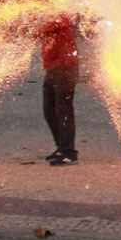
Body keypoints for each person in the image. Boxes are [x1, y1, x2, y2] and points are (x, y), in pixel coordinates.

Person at [38, 12, 80, 166]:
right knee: (49, 110)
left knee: (63, 110)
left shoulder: (59, 13)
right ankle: (62, 147)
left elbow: (45, 27)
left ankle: (69, 152)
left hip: (65, 67)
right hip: (53, 67)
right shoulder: (49, 12)